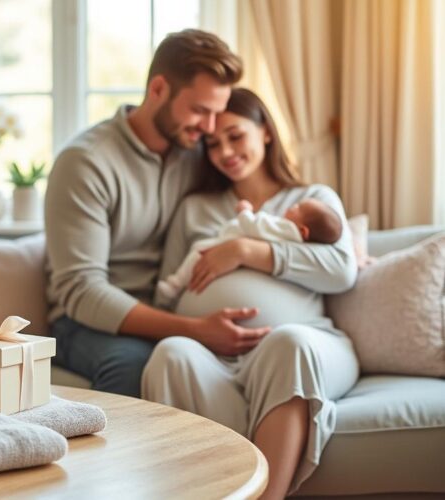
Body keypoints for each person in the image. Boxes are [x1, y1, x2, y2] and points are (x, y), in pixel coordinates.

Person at [141, 88, 359, 499]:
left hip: (306, 343)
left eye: (236, 136)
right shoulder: (195, 209)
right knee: (170, 354)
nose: (225, 151)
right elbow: (164, 295)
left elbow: (342, 271)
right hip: (215, 358)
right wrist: (197, 326)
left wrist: (245, 251)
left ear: (266, 133)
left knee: (287, 341)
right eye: (213, 142)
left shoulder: (312, 200)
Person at [45, 29, 270, 398]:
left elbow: (256, 198)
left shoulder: (198, 151)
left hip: (175, 308)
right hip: (88, 323)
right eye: (199, 111)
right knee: (135, 362)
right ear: (159, 89)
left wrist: (335, 238)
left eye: (216, 114)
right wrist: (192, 328)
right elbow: (81, 291)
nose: (209, 128)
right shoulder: (86, 163)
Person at [156, 196, 343, 305]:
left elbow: (254, 226)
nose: (293, 206)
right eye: (213, 144)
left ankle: (175, 284)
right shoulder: (193, 205)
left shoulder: (287, 228)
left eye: (298, 208)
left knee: (197, 252)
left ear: (303, 231)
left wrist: (245, 212)